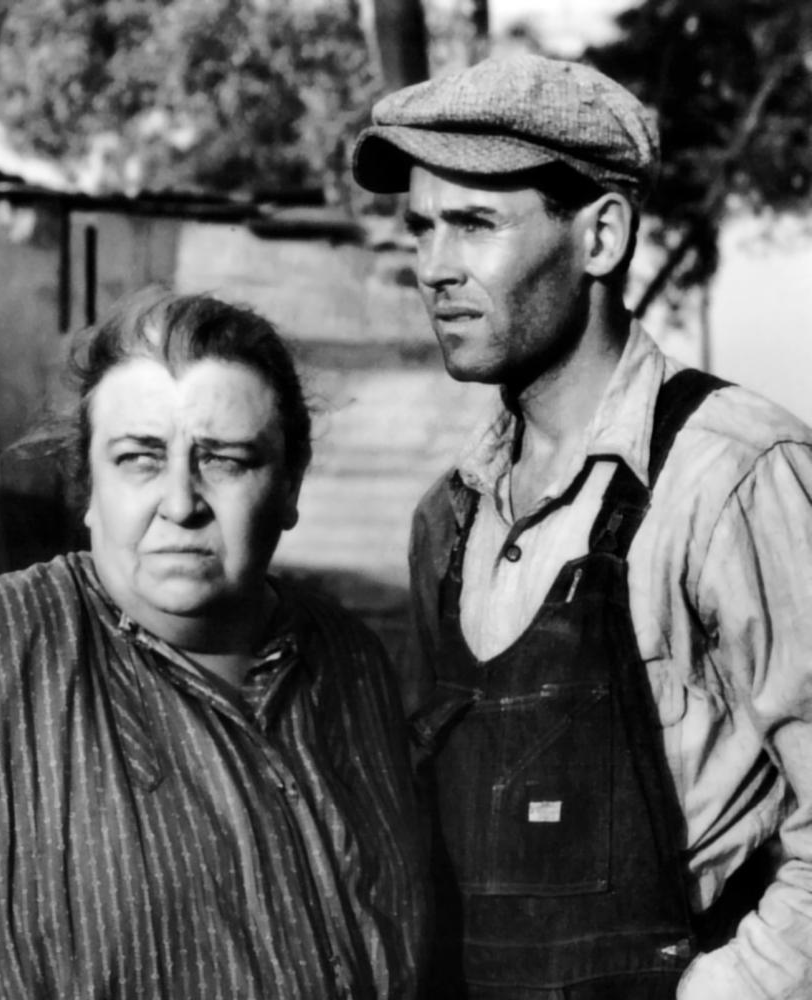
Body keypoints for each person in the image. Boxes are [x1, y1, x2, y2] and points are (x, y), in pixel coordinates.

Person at [0, 289, 428, 999]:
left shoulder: (349, 658)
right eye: (139, 459)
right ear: (87, 487)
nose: (180, 502)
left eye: (224, 460)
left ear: (290, 485)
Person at [351, 52, 812, 1000]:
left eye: (475, 225)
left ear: (600, 237)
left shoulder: (730, 475)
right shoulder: (447, 521)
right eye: (421, 229)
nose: (433, 268)